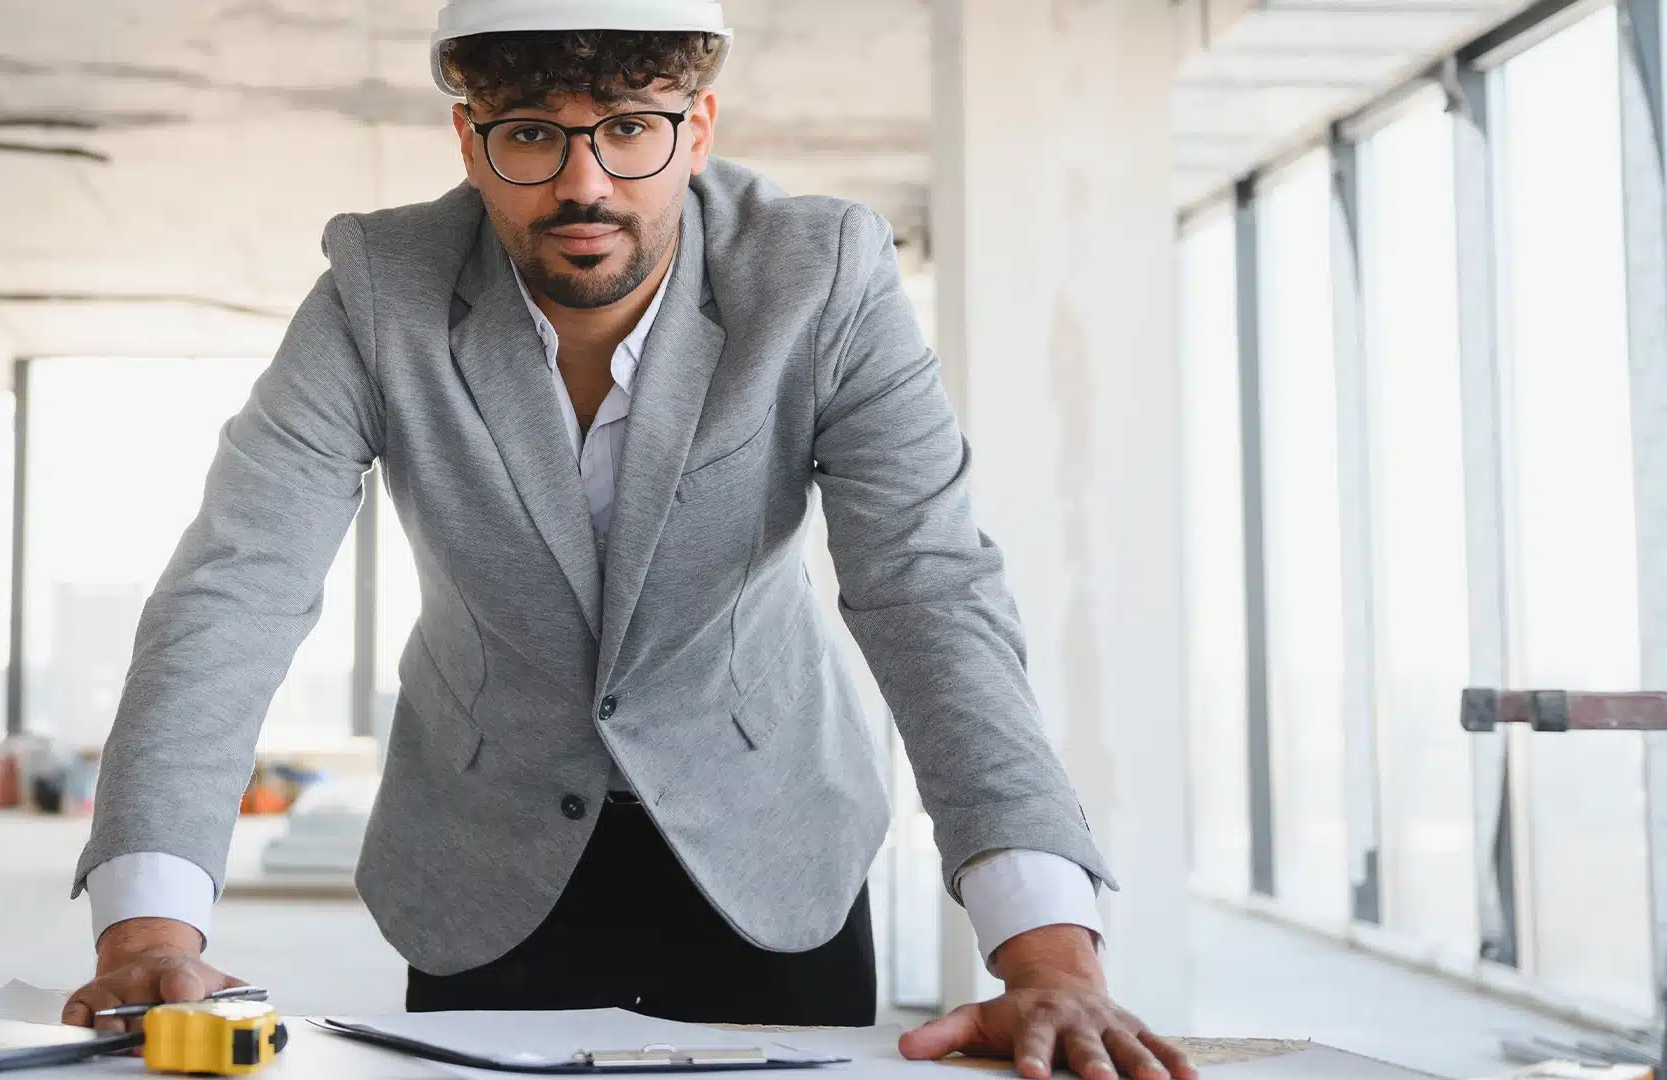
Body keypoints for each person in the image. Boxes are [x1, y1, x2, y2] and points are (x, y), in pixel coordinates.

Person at [61, 3, 1194, 1079]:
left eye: (630, 130)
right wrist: (145, 928)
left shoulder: (824, 273)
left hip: (768, 830)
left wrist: (1047, 953)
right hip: (485, 850)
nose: (583, 184)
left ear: (696, 127)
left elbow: (925, 586)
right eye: (532, 137)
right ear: (469, 140)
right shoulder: (378, 287)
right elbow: (238, 585)